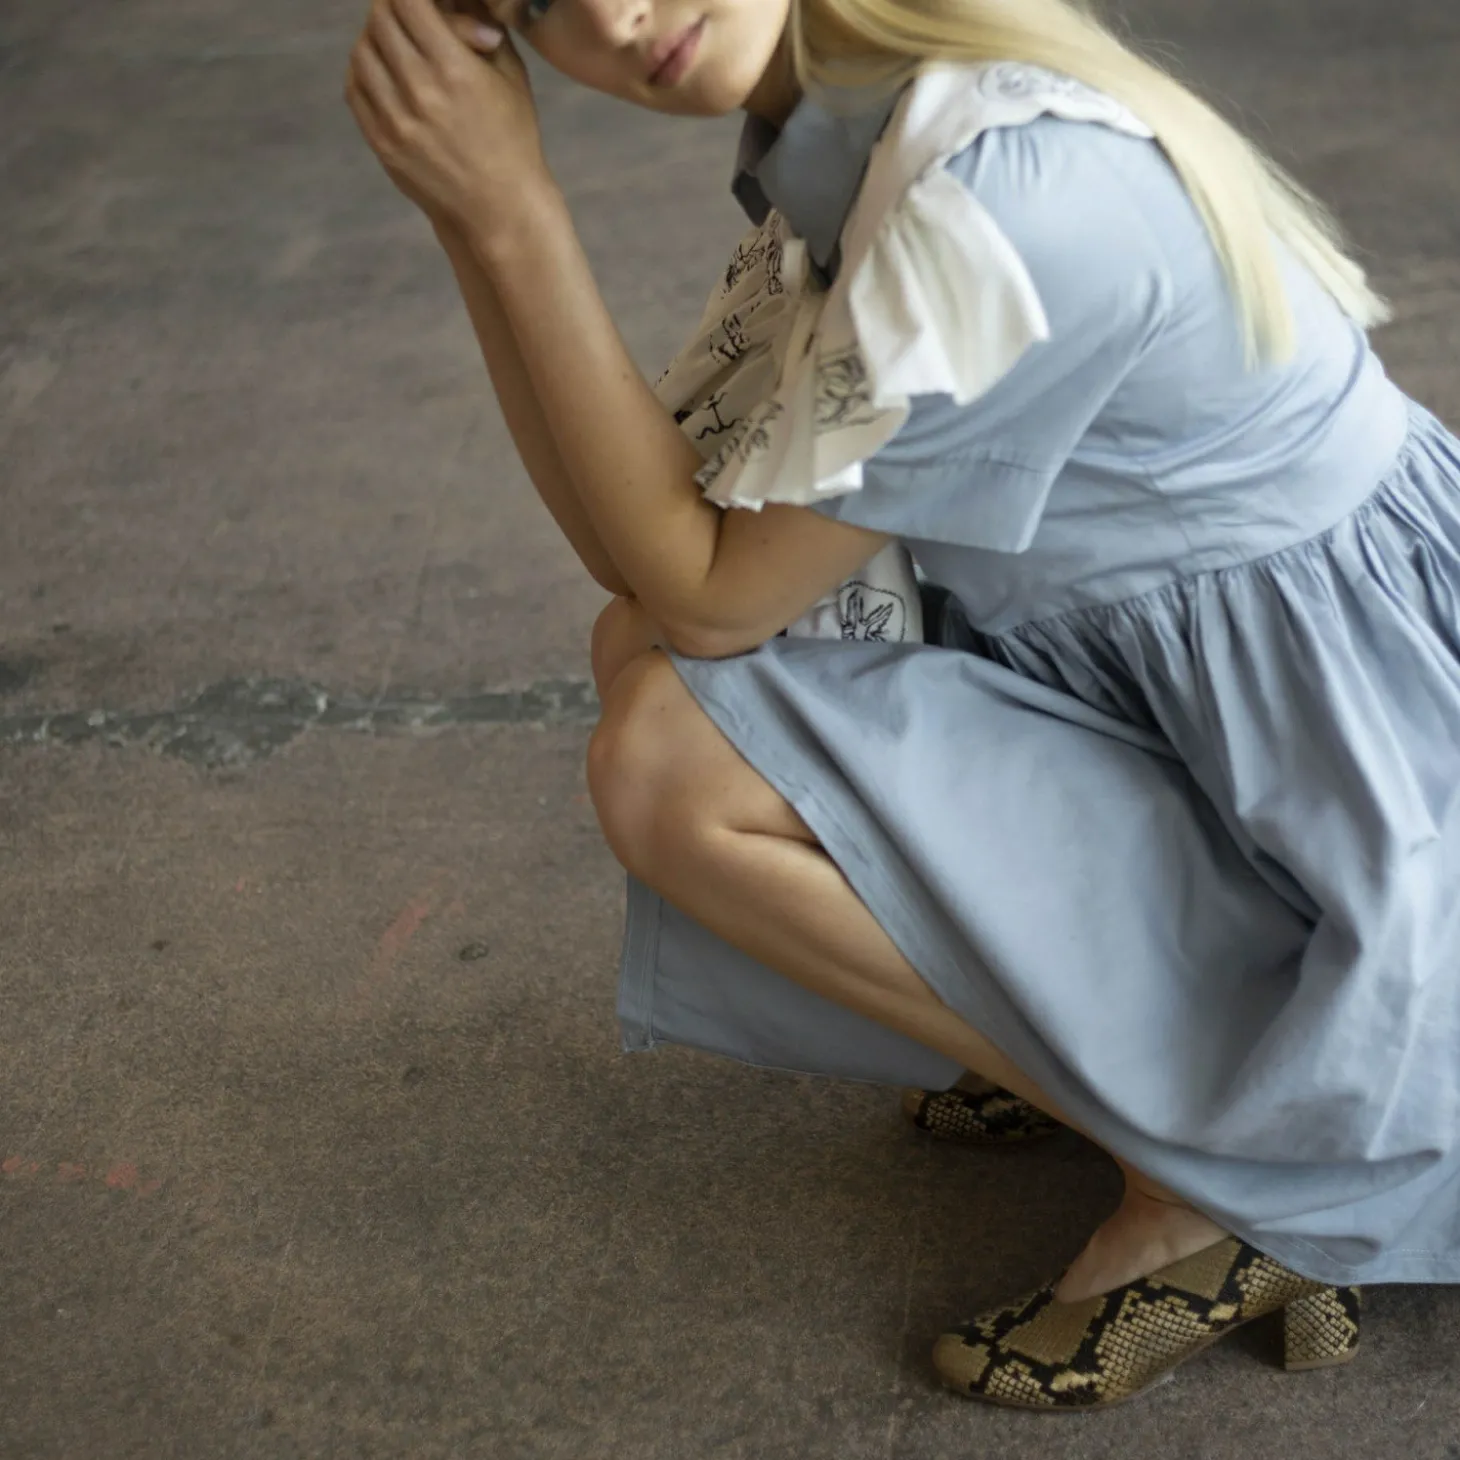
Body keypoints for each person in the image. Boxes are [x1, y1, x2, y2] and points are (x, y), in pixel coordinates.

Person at [343, 0, 1460, 1410]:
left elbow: (712, 597)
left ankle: (1221, 1184)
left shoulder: (1002, 197)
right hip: (1223, 724)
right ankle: (1128, 1052)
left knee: (672, 759)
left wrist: (516, 210)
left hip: (1364, 803)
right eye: (539, 7)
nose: (616, 17)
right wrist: (469, 213)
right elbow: (643, 561)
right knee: (652, 664)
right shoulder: (854, 124)